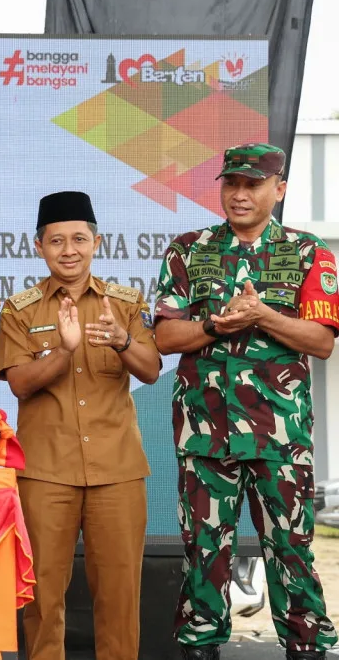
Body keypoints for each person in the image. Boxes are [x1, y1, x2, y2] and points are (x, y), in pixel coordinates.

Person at [154, 143, 338, 660]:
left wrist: (262, 317)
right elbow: (164, 339)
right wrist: (214, 325)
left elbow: (322, 341)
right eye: (231, 184)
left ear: (277, 190)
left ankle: (307, 647)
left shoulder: (307, 253)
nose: (239, 194)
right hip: (205, 431)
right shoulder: (189, 248)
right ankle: (200, 646)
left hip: (279, 434)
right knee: (203, 552)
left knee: (292, 550)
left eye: (252, 185)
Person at [0, 191, 160, 660]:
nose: (69, 250)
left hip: (118, 470)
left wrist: (123, 340)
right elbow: (21, 384)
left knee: (120, 595)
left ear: (97, 242)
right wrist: (63, 352)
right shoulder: (20, 309)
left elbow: (149, 369)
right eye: (57, 241)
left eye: (79, 239)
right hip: (46, 472)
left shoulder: (125, 304)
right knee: (42, 597)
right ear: (38, 246)